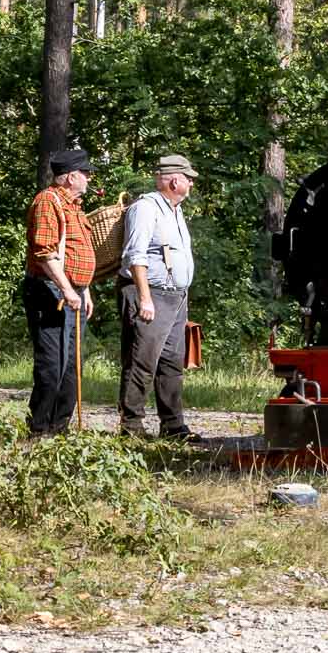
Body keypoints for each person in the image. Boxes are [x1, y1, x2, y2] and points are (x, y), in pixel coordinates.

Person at [118, 155, 198, 440]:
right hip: (152, 294)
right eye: (188, 178)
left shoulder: (174, 210)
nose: (191, 183)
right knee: (142, 360)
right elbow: (135, 255)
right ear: (174, 180)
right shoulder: (145, 208)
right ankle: (132, 426)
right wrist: (144, 298)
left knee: (172, 363)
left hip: (175, 297)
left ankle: (173, 426)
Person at [24, 149, 98, 437]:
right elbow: (44, 252)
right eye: (85, 173)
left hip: (72, 293)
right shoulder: (48, 201)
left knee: (71, 368)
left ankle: (59, 429)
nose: (89, 177)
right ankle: (39, 429)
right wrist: (67, 290)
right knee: (52, 366)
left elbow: (77, 253)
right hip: (48, 291)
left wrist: (84, 289)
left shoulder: (75, 207)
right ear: (69, 177)